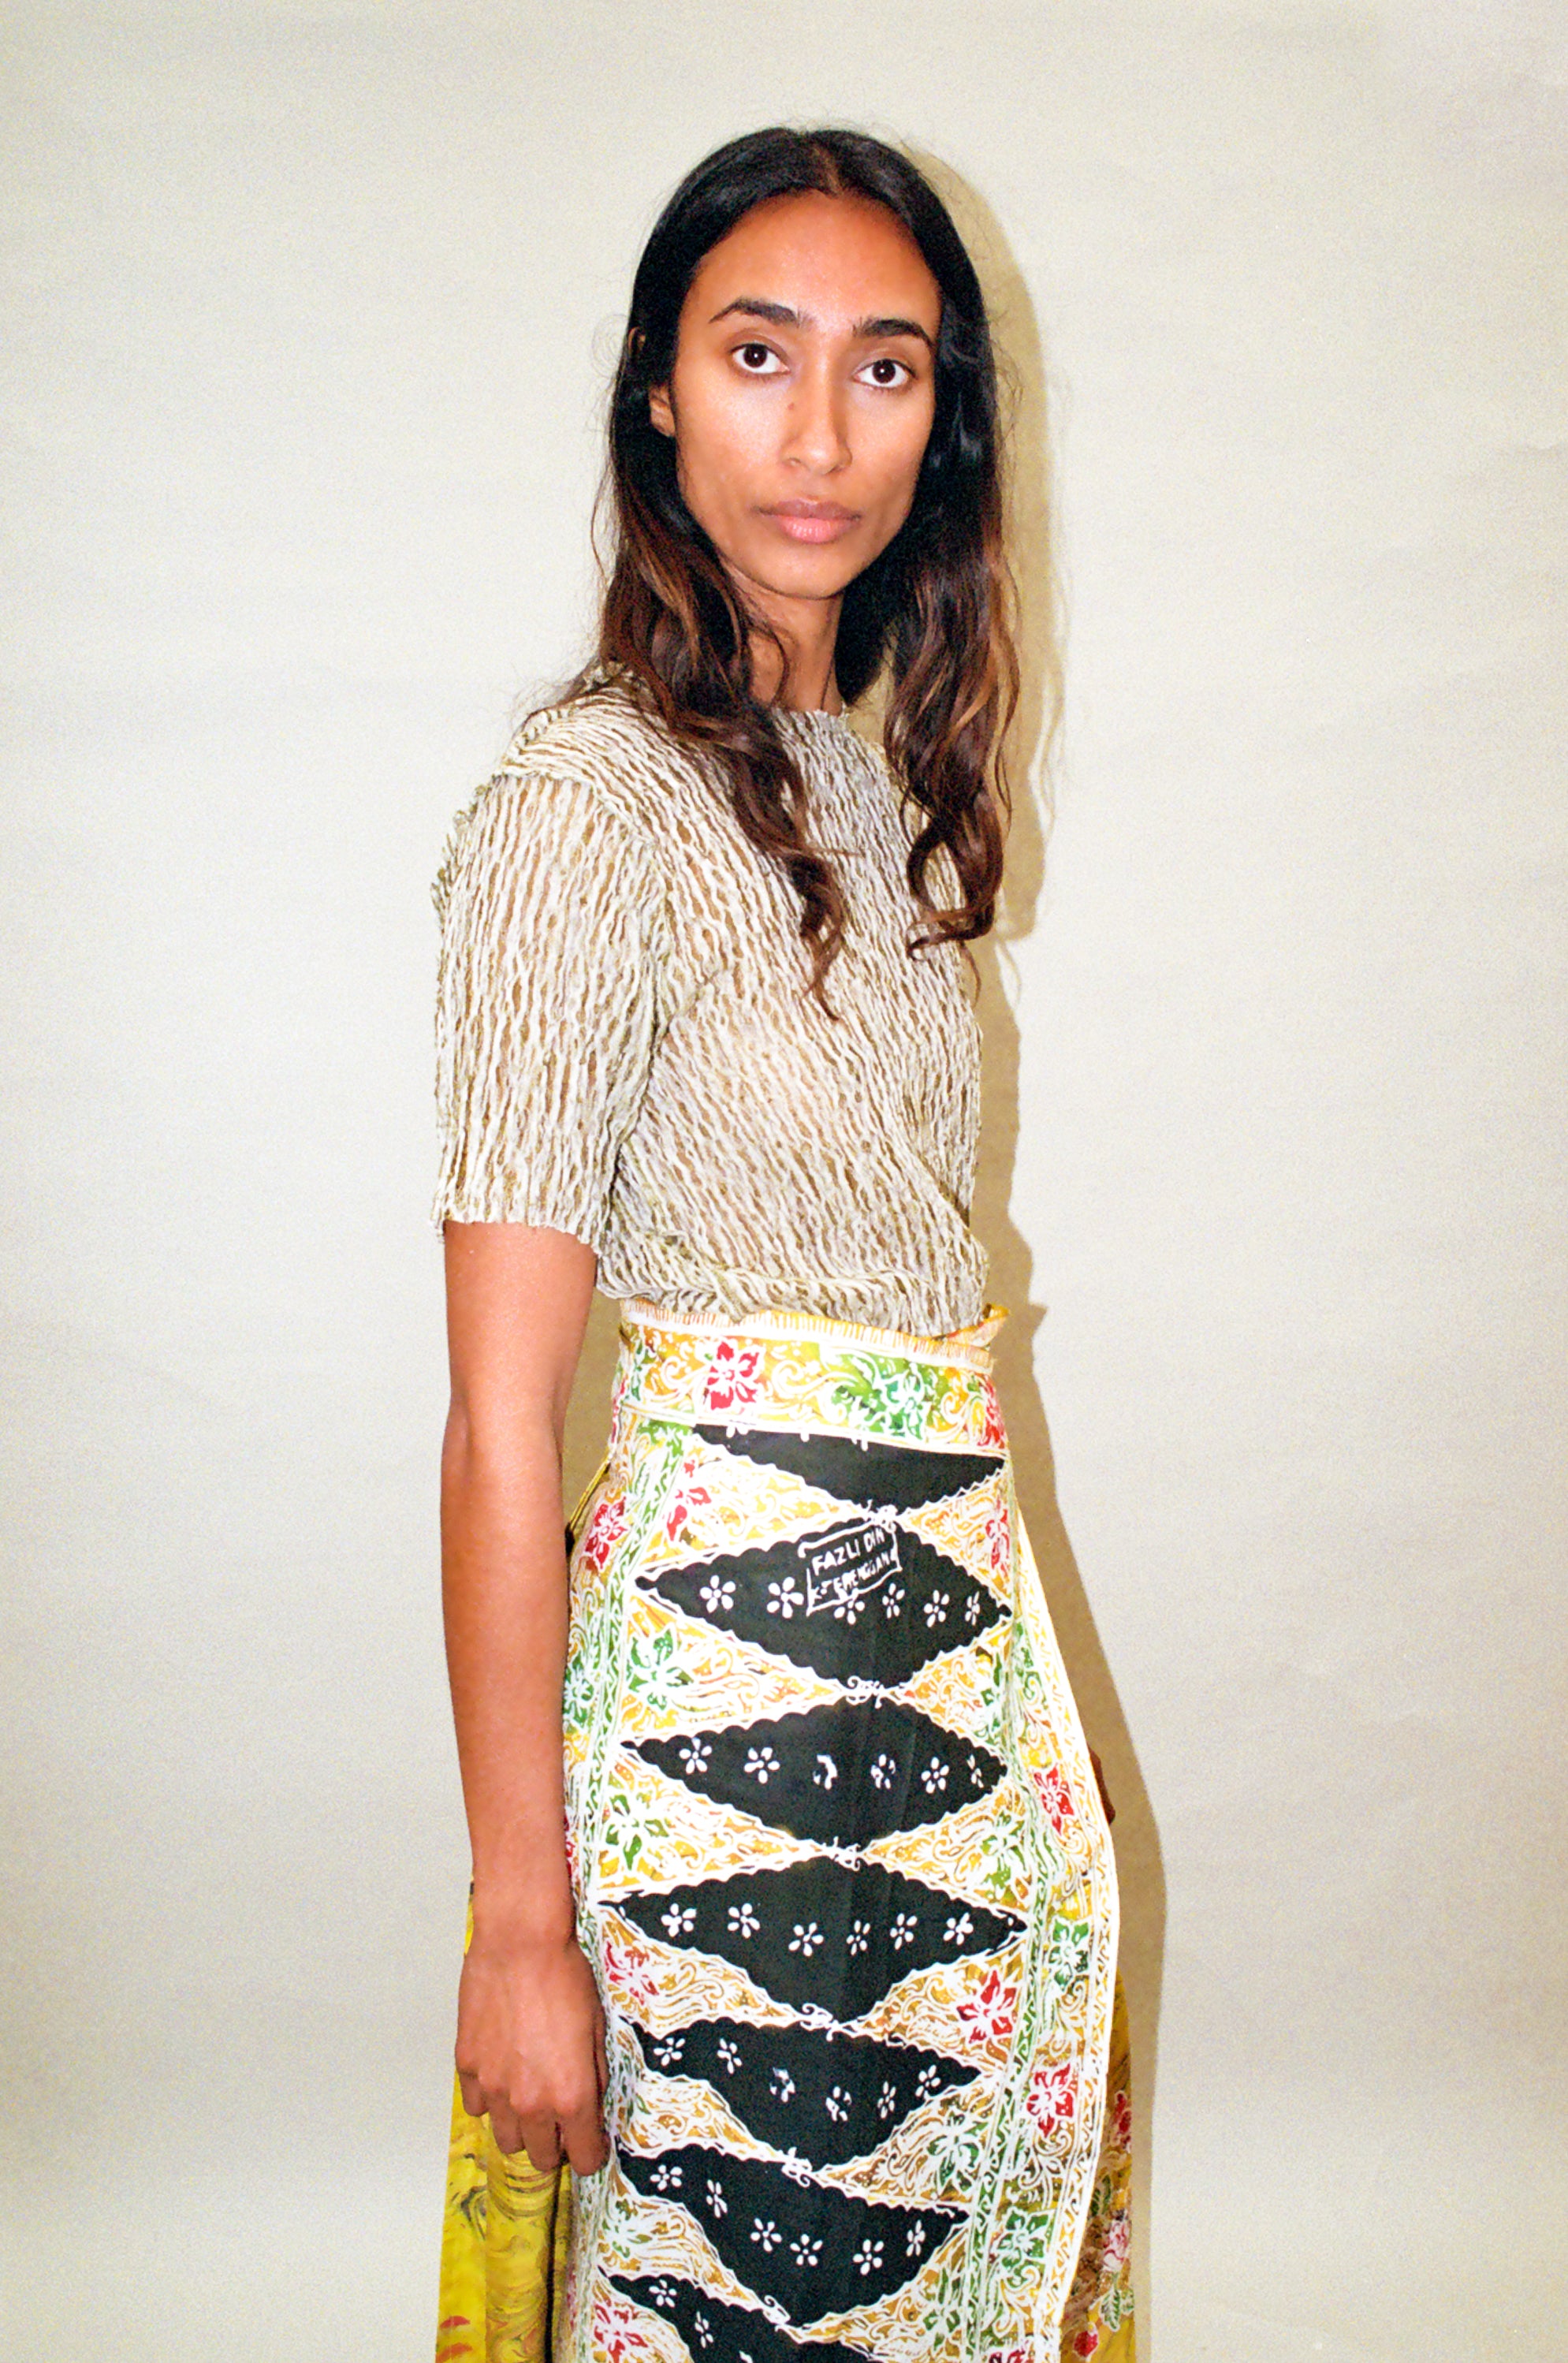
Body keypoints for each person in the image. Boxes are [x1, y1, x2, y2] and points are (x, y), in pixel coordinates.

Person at [430, 126, 1134, 2363]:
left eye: (886, 367)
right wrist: (520, 1921)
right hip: (719, 1721)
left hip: (968, 1683)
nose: (822, 435)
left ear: (946, 422)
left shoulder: (888, 790)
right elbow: (498, 1426)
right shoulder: (581, 809)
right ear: (661, 390)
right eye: (760, 356)